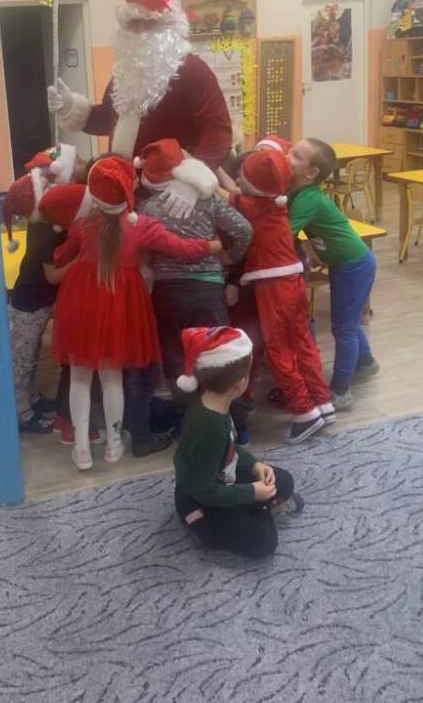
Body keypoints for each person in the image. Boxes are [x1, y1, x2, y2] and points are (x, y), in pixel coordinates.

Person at [51, 155, 222, 471]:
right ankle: (114, 444)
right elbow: (181, 248)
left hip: (80, 299)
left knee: (79, 377)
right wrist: (212, 246)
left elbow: (61, 255)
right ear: (129, 188)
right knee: (112, 376)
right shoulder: (142, 226)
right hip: (121, 303)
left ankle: (82, 450)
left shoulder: (82, 225)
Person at [48, 0, 232, 188]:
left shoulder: (193, 71)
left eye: (150, 22)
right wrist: (70, 107)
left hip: (168, 190)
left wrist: (193, 181)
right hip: (124, 186)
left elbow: (218, 132)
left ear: (169, 25)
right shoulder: (125, 73)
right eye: (134, 22)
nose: (141, 31)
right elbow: (108, 119)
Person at [136, 138, 254, 441]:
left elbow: (142, 252)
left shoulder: (148, 208)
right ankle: (237, 426)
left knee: (178, 361)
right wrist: (231, 257)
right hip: (208, 290)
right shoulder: (209, 200)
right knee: (222, 356)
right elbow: (244, 230)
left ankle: (188, 424)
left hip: (167, 294)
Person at [174, 326, 303, 559]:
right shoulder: (209, 428)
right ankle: (207, 529)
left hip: (223, 479)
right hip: (198, 507)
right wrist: (252, 493)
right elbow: (204, 492)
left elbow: (230, 449)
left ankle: (256, 509)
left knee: (283, 481)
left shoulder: (212, 402)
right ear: (240, 384)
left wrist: (254, 465)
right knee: (265, 543)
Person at [233, 148, 334, 443]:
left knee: (279, 349)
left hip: (273, 287)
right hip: (295, 281)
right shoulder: (276, 202)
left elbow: (225, 193)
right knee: (303, 343)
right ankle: (322, 402)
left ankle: (304, 412)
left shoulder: (252, 205)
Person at [288, 138, 379, 410]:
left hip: (354, 265)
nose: (286, 156)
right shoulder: (299, 192)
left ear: (311, 173)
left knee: (343, 327)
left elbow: (282, 234)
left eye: (295, 155)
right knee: (348, 321)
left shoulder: (308, 199)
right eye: (290, 150)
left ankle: (340, 390)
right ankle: (366, 362)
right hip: (347, 264)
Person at [2, 167, 91, 434]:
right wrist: (81, 259)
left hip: (35, 302)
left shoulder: (44, 224)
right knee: (22, 361)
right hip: (29, 304)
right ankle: (22, 415)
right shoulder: (47, 233)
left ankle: (30, 399)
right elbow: (52, 277)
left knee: (28, 356)